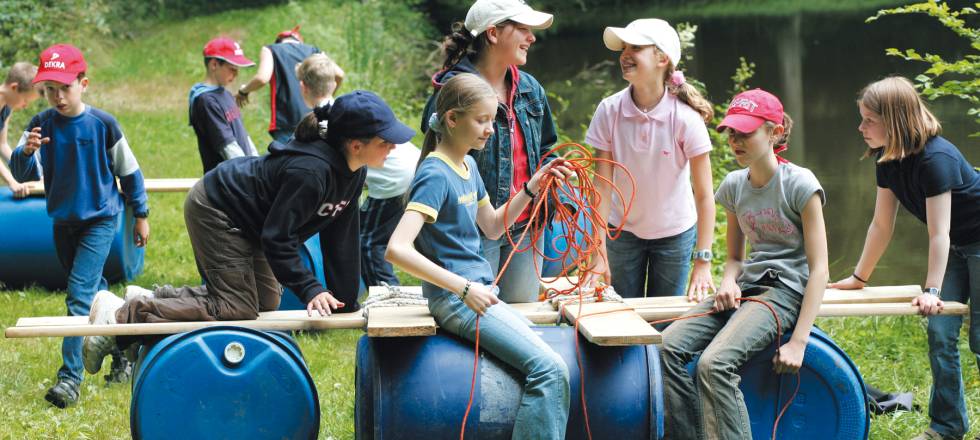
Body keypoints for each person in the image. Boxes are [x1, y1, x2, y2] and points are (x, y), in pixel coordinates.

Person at [82, 90, 414, 376]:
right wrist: (311, 288)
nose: (393, 149)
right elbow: (278, 237)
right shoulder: (311, 173)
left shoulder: (354, 172)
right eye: (386, 142)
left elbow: (341, 235)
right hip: (218, 207)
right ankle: (121, 317)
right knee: (235, 307)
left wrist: (346, 301)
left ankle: (155, 298)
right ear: (356, 145)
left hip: (254, 220)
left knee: (267, 301)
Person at [387, 73, 572, 439]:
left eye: (492, 120)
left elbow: (492, 226)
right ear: (452, 120)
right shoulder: (435, 174)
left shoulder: (468, 166)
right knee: (550, 370)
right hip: (459, 301)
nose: (490, 130)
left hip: (480, 293)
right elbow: (397, 249)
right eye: (482, 120)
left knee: (548, 360)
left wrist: (532, 188)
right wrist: (463, 287)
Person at [659, 89, 828, 440]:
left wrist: (798, 341)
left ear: (775, 132)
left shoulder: (800, 184)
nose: (735, 141)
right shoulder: (735, 185)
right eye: (731, 132)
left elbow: (820, 269)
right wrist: (727, 282)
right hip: (748, 287)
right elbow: (735, 258)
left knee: (714, 364)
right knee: (666, 346)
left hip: (785, 292)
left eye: (745, 133)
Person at [829, 76, 980, 440]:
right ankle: (947, 426)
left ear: (894, 119)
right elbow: (881, 225)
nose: (860, 127)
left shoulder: (936, 159)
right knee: (941, 333)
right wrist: (859, 278)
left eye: (869, 120)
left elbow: (938, 232)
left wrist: (931, 289)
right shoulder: (888, 160)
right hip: (956, 246)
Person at [9, 44, 150, 408]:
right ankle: (122, 351)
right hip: (62, 221)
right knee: (96, 291)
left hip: (101, 220)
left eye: (65, 88)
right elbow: (23, 174)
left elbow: (130, 171)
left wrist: (142, 214)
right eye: (49, 89)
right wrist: (25, 153)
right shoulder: (40, 123)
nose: (58, 96)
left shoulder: (103, 124)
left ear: (83, 84)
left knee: (78, 296)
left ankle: (69, 379)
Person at [421, 0, 558, 303]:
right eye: (522, 29)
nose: (531, 37)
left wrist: (552, 177)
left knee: (521, 317)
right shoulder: (454, 90)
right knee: (477, 322)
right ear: (493, 33)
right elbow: (437, 162)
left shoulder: (531, 88)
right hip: (472, 232)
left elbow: (547, 146)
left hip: (526, 226)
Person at [585, 18, 716, 300]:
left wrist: (703, 261)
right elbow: (602, 187)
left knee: (664, 322)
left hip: (675, 235)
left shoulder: (685, 118)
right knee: (620, 314)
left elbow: (705, 195)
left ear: (662, 58)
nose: (625, 55)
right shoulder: (609, 111)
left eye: (636, 47)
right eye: (623, 48)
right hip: (621, 232)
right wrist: (598, 252)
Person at [237, 25, 329, 143]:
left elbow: (262, 78)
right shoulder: (314, 51)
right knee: (320, 155)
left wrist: (243, 91)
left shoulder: (271, 49)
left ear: (279, 41)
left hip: (287, 121)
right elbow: (338, 74)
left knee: (290, 160)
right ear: (299, 41)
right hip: (317, 118)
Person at [189, 37, 259, 174]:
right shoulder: (205, 100)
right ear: (214, 65)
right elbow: (227, 146)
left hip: (243, 173)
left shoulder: (225, 94)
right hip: (228, 180)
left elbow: (243, 135)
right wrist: (249, 174)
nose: (236, 75)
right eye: (232, 69)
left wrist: (257, 164)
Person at [0, 62, 41, 198]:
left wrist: (25, 173)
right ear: (14, 88)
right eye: (25, 100)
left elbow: (2, 145)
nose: (25, 106)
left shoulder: (7, 106)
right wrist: (12, 182)